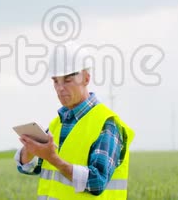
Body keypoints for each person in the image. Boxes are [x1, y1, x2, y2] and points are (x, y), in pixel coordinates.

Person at [14, 44, 134, 199]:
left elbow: (96, 182)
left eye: (67, 80)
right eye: (56, 81)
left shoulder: (106, 124)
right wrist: (30, 149)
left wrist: (52, 158)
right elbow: (28, 168)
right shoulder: (57, 124)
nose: (60, 88)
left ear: (86, 78)